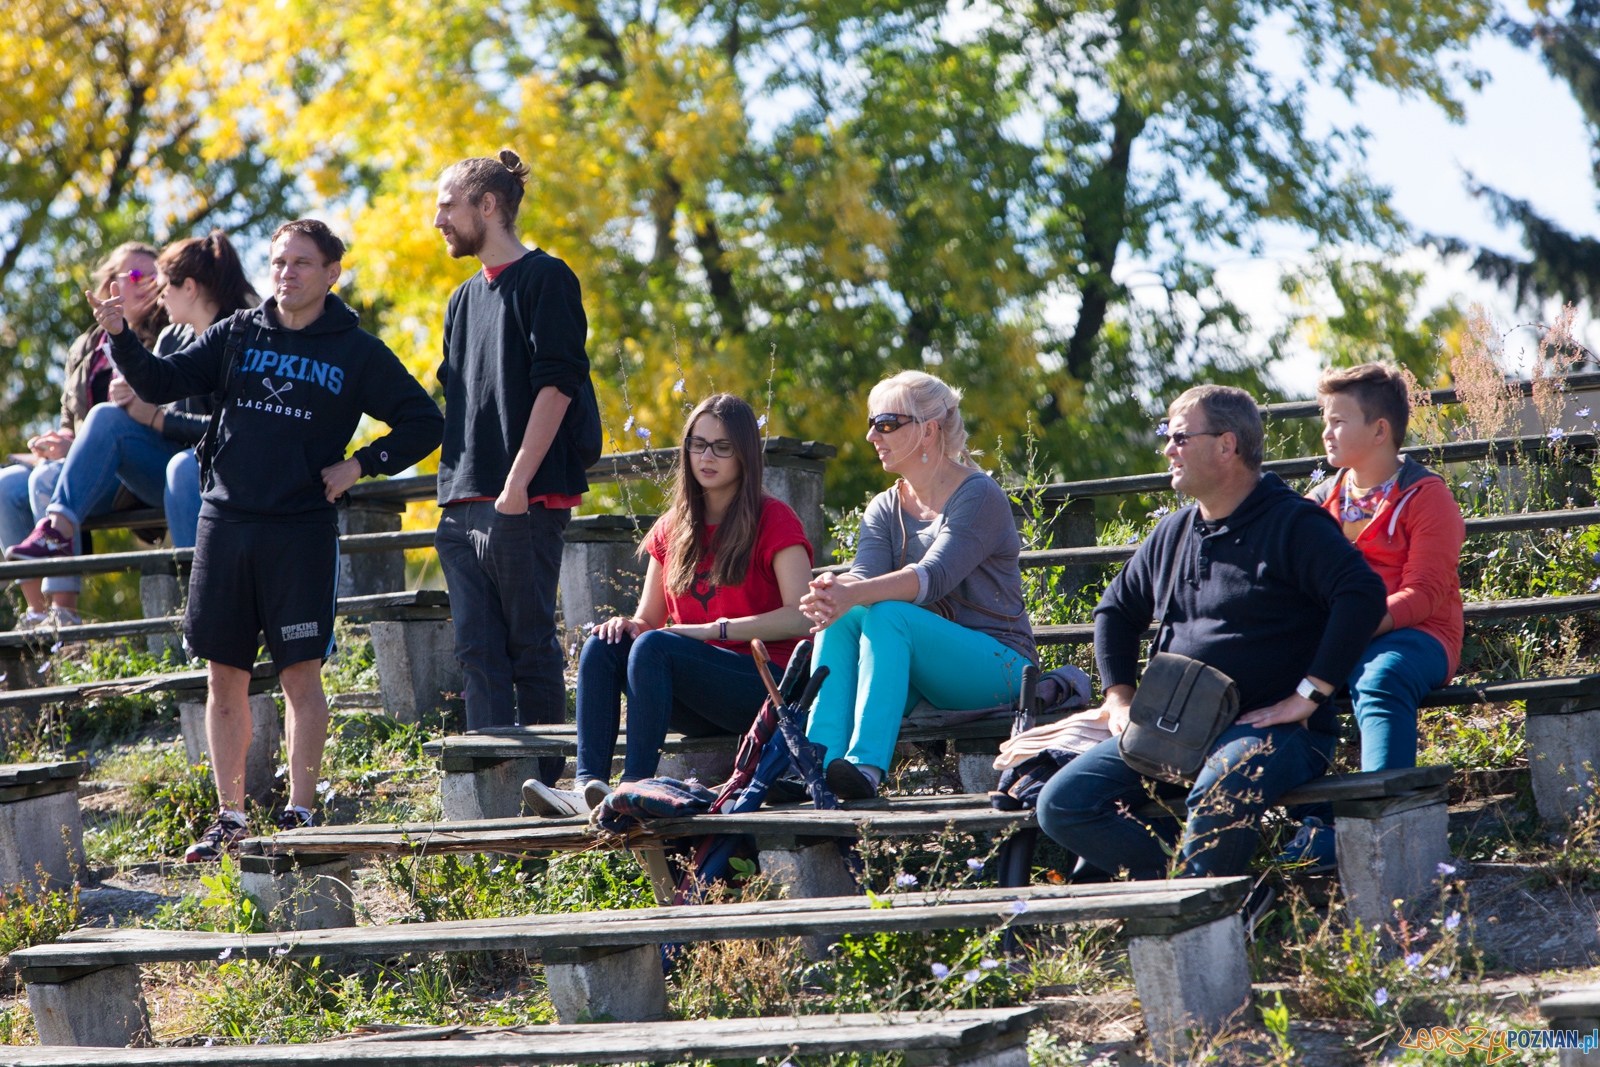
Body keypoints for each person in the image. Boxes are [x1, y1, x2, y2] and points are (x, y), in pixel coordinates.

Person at [84, 218, 444, 860]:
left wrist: (361, 463)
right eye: (279, 262)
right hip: (226, 523)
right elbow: (163, 383)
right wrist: (117, 335)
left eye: (302, 263)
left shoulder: (356, 350)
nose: (287, 273)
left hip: (300, 529)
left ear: (332, 272)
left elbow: (424, 421)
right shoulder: (238, 333)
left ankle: (303, 813)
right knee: (224, 678)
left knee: (300, 678)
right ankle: (231, 818)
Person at [1035, 385, 1388, 880]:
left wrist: (1310, 694)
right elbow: (1115, 610)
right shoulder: (1173, 531)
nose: (1168, 449)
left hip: (1270, 729)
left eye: (1180, 437)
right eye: (1168, 437)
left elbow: (1362, 595)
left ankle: (1202, 916)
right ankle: (1199, 896)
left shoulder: (1293, 523)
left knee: (1220, 792)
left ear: (1227, 446)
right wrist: (1118, 696)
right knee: (1062, 804)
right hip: (1173, 727)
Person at [525, 394, 815, 817]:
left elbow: (803, 616)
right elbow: (649, 621)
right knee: (603, 645)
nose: (706, 457)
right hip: (692, 692)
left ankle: (634, 789)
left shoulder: (774, 519)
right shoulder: (672, 527)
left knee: (654, 646)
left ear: (745, 454)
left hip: (760, 685)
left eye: (722, 446)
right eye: (698, 444)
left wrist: (711, 630)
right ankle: (586, 786)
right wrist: (626, 624)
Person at [431, 149, 601, 778]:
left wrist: (516, 485)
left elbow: (556, 387)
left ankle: (548, 790)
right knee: (477, 652)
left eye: (447, 204)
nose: (437, 219)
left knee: (530, 650)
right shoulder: (460, 299)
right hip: (461, 502)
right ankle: (494, 800)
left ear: (488, 204)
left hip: (522, 500)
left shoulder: (548, 278)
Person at [800, 370, 1036, 800]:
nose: (873, 435)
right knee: (841, 616)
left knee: (888, 613)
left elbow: (933, 578)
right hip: (924, 668)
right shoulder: (884, 505)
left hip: (1002, 667)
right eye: (871, 423)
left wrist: (854, 592)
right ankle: (814, 764)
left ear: (928, 431)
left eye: (887, 423)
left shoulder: (978, 495)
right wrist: (836, 590)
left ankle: (865, 770)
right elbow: (865, 578)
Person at [1279, 363, 1465, 870]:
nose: (1326, 430)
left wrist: (1350, 632)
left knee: (1381, 677)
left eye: (1339, 420)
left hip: (1417, 636)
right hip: (1347, 634)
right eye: (1325, 417)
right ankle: (1319, 822)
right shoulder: (1321, 503)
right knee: (1276, 676)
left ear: (1380, 429)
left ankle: (1379, 823)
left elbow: (1424, 593)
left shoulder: (1427, 497)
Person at [7, 231, 259, 572]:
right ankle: (56, 532)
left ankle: (202, 596)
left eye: (165, 284)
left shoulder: (245, 341)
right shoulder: (172, 336)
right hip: (165, 465)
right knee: (107, 416)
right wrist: (126, 373)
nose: (159, 294)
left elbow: (236, 430)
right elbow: (151, 386)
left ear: (190, 288)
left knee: (183, 466)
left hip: (224, 467)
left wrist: (155, 419)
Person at [0, 242, 167, 626]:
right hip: (81, 464)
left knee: (46, 477)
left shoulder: (165, 334)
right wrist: (58, 442)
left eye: (157, 277)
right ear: (110, 284)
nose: (149, 285)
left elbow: (164, 414)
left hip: (130, 470)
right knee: (7, 484)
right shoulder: (87, 346)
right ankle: (37, 617)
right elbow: (69, 415)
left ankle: (65, 617)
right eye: (138, 276)